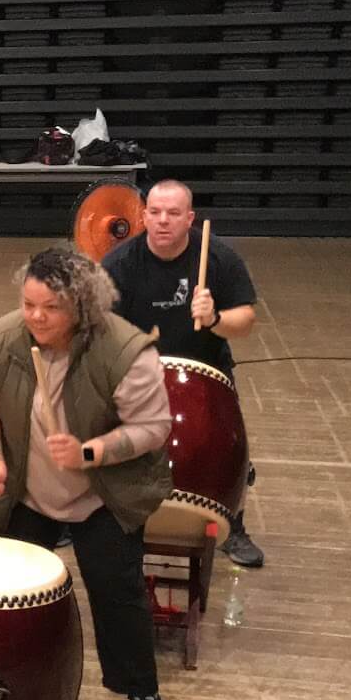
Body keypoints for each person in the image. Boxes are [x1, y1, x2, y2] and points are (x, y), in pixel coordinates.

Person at [0, 247, 172, 700]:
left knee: (115, 591)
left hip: (104, 494)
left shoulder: (124, 350)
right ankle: (10, 684)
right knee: (10, 593)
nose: (35, 317)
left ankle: (142, 694)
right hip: (30, 491)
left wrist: (90, 452)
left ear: (81, 306)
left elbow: (153, 427)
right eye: (28, 304)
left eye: (50, 308)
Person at [102, 179, 263, 567]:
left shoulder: (218, 257)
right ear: (143, 216)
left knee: (224, 442)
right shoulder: (119, 264)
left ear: (189, 218)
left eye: (173, 213)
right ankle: (86, 513)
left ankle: (232, 521)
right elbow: (100, 329)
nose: (163, 221)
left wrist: (215, 319)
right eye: (155, 212)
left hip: (205, 367)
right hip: (140, 371)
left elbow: (246, 320)